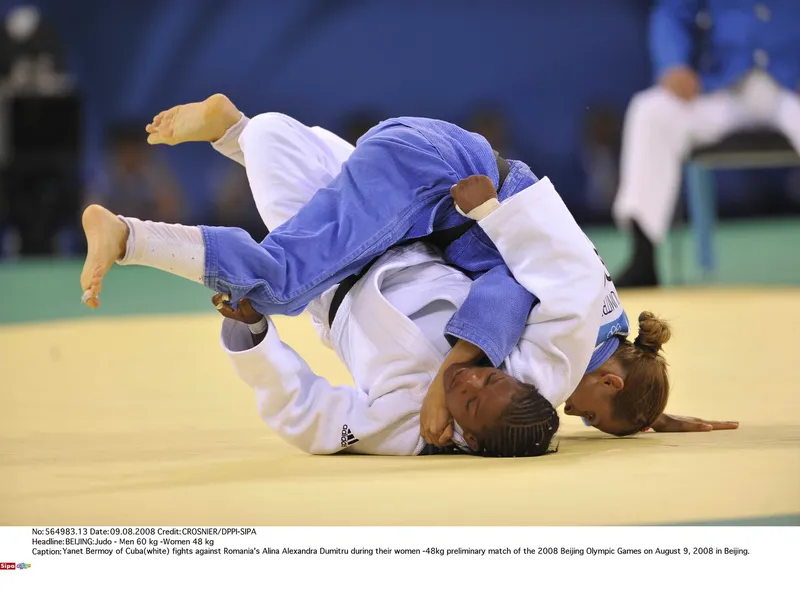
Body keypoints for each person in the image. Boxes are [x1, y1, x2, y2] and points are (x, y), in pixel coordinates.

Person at [78, 98, 738, 446]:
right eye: (594, 417)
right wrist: (445, 380)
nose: (575, 416)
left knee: (309, 191)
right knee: (278, 282)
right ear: (610, 377)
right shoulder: (563, 351)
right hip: (437, 184)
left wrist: (650, 415)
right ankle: (128, 235)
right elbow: (507, 293)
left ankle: (240, 131)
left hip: (420, 202)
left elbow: (604, 364)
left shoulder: (606, 319)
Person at [613, 0, 800, 287]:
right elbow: (672, 12)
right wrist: (673, 64)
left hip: (792, 85)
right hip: (724, 84)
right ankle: (643, 255)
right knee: (652, 112)